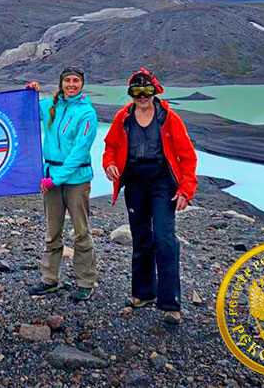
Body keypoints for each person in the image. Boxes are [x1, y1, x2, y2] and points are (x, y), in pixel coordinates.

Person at [102, 67, 197, 324]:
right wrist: (109, 164)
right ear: (131, 93)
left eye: (147, 91)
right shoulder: (124, 117)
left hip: (162, 185)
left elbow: (187, 157)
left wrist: (186, 190)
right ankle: (143, 293)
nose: (142, 96)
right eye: (136, 91)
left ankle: (170, 304)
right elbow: (110, 147)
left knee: (165, 239)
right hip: (135, 183)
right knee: (141, 238)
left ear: (155, 91)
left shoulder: (169, 118)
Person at [25, 67, 99, 301]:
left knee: (81, 232)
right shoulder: (51, 106)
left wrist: (56, 178)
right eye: (67, 80)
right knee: (52, 231)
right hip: (51, 177)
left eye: (76, 81)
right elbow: (27, 112)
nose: (71, 84)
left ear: (82, 84)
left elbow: (80, 151)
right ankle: (49, 279)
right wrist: (31, 94)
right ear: (61, 83)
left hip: (76, 179)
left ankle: (85, 281)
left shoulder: (87, 113)